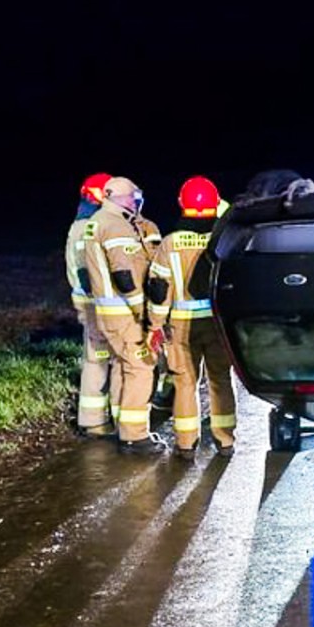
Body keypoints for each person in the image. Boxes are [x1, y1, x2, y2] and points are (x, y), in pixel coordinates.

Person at [147, 175, 237, 458]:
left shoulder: (170, 243)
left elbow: (160, 290)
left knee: (185, 382)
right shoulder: (223, 238)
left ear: (181, 204)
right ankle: (225, 440)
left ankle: (186, 444)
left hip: (181, 326)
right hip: (217, 323)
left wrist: (155, 325)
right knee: (220, 379)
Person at [84, 176, 166, 454]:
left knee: (123, 366)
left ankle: (123, 425)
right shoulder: (115, 225)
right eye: (132, 196)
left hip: (109, 313)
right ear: (117, 197)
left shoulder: (101, 221)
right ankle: (134, 436)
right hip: (124, 314)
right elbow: (124, 275)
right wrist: (143, 312)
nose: (136, 200)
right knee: (141, 367)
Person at [65, 172, 118, 436]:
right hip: (96, 304)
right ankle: (99, 422)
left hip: (94, 303)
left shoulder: (85, 224)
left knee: (99, 358)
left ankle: (96, 419)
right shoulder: (87, 228)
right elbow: (89, 273)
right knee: (102, 359)